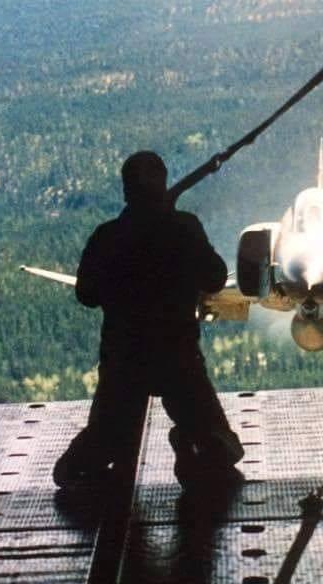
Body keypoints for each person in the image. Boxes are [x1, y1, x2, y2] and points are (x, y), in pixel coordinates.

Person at [53, 150, 244, 489]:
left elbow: (86, 294)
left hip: (123, 364)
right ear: (164, 184)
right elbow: (215, 277)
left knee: (82, 461)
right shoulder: (184, 228)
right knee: (221, 445)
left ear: (126, 192)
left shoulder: (107, 236)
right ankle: (190, 445)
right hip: (179, 360)